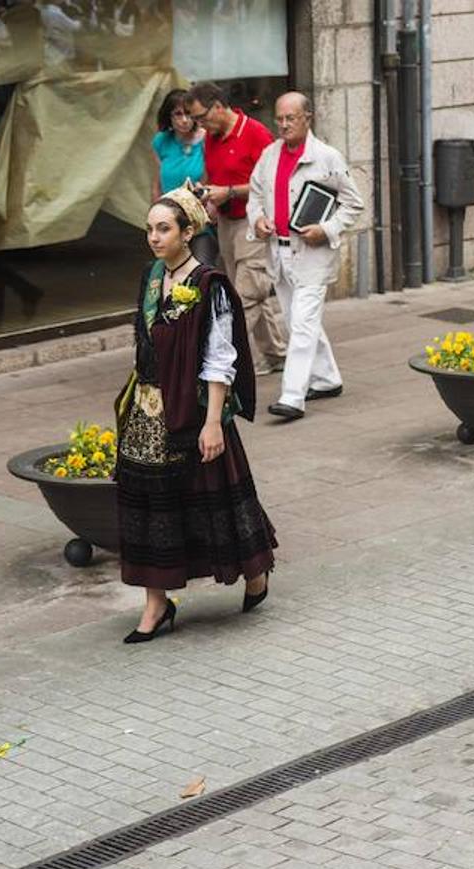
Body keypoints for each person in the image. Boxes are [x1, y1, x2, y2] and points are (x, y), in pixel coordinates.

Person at [114, 187, 277, 644]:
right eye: (149, 228)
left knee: (219, 500)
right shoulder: (151, 278)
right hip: (148, 411)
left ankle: (256, 571)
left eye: (163, 228)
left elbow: (219, 357)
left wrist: (212, 423)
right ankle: (156, 603)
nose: (153, 237)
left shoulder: (210, 285)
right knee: (150, 508)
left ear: (188, 232)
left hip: (195, 410)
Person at [248, 92, 365, 421]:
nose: (283, 125)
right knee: (298, 320)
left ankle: (292, 396)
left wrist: (326, 229)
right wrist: (257, 220)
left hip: (312, 254)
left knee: (301, 324)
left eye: (290, 118)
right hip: (279, 252)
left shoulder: (327, 157)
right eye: (279, 118)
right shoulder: (269, 156)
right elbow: (255, 195)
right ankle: (327, 379)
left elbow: (354, 203)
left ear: (307, 118)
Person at [186, 82, 289, 375]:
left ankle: (221, 362)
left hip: (253, 222)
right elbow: (211, 174)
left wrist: (228, 192)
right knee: (252, 290)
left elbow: (271, 182)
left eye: (202, 117)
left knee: (244, 296)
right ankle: (277, 354)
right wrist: (208, 197)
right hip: (227, 224)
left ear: (218, 106)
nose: (200, 125)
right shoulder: (211, 137)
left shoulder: (255, 133)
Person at [151, 89, 217, 266]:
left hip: (200, 220)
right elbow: (157, 181)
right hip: (170, 220)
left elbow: (213, 176)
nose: (184, 120)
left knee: (201, 272)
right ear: (169, 117)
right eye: (177, 114)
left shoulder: (206, 138)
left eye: (188, 114)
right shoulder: (161, 142)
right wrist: (155, 216)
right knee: (172, 274)